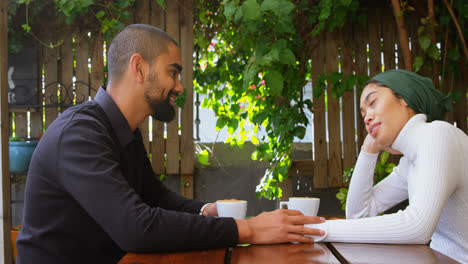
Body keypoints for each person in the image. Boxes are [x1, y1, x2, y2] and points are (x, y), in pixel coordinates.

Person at [15, 24, 325, 263]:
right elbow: (136, 228)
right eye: (172, 72)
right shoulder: (79, 134)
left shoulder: (123, 130)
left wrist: (206, 211)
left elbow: (155, 198)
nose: (179, 86)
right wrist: (251, 230)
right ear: (139, 68)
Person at [308, 69, 468, 263]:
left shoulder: (438, 134)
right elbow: (359, 215)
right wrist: (369, 148)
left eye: (373, 102)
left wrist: (318, 229)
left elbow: (418, 227)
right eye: (363, 114)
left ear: (404, 99)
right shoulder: (411, 162)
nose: (367, 118)